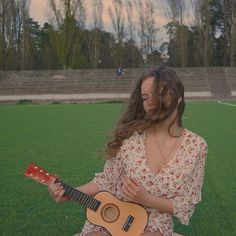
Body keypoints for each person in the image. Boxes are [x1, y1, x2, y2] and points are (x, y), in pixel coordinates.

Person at [48, 66, 208, 236]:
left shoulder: (196, 146)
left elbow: (185, 205)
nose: (151, 103)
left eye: (159, 94)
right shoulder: (131, 137)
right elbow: (108, 180)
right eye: (145, 98)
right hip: (114, 217)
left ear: (178, 99)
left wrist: (147, 199)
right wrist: (72, 192)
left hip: (155, 224)